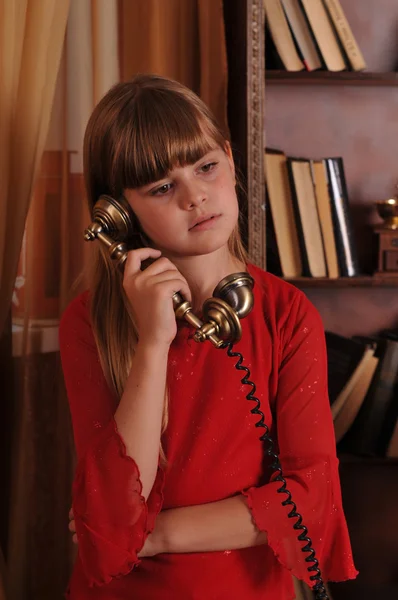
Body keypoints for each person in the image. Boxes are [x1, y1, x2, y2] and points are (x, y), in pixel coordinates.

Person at [59, 74, 358, 600]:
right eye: (162, 187)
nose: (196, 196)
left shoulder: (286, 315)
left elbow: (311, 499)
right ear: (120, 217)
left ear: (229, 158)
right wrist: (153, 344)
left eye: (205, 167)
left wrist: (156, 536)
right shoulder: (89, 324)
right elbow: (108, 528)